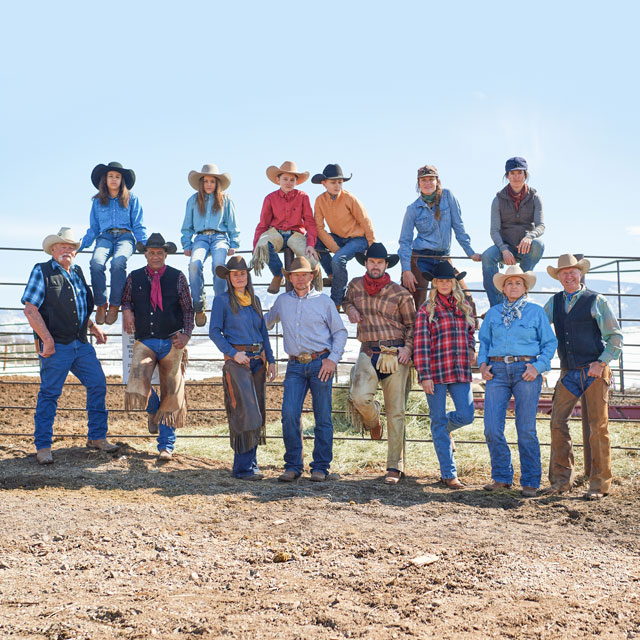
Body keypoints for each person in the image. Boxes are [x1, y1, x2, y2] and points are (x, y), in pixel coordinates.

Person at [22, 227, 118, 464]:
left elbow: (80, 310)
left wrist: (93, 328)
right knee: (50, 394)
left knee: (97, 384)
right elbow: (30, 309)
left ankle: (96, 437)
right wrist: (47, 339)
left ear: (75, 252)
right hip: (56, 346)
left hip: (80, 343)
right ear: (53, 250)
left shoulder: (77, 273)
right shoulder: (41, 271)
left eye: (71, 247)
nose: (67, 250)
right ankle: (43, 446)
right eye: (62, 246)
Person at [542, 254, 623, 500]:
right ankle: (561, 480)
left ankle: (599, 484)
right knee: (557, 422)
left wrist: (601, 362)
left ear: (580, 274)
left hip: (594, 370)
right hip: (568, 370)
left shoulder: (596, 300)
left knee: (598, 427)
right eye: (563, 273)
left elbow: (615, 337)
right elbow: (539, 328)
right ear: (559, 277)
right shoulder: (553, 303)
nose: (568, 276)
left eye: (572, 272)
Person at [264, 257, 347, 482]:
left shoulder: (324, 301)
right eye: (295, 274)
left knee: (323, 417)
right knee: (289, 414)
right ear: (289, 278)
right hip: (294, 366)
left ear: (312, 276)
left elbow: (340, 332)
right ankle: (293, 465)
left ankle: (320, 467)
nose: (300, 278)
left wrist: (333, 360)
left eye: (305, 274)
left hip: (321, 363)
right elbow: (265, 323)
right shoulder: (282, 301)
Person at [478, 265, 557, 497]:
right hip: (497, 371)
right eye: (509, 283)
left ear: (525, 288)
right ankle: (502, 476)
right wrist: (483, 365)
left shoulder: (536, 312)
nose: (513, 286)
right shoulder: (493, 313)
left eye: (518, 283)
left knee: (526, 428)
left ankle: (530, 480)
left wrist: (538, 366)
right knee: (492, 427)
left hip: (527, 371)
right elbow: (484, 342)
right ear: (503, 288)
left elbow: (549, 343)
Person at [343, 243, 416, 485]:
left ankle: (394, 467)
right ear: (366, 263)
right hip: (367, 350)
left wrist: (407, 348)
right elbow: (345, 300)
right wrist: (351, 308)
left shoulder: (400, 293)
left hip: (395, 353)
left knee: (396, 411)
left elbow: (413, 325)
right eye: (372, 262)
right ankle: (373, 420)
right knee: (359, 396)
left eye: (380, 262)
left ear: (386, 265)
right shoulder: (354, 285)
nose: (375, 266)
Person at [121, 233, 194, 461]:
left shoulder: (178, 277)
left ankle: (166, 446)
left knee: (173, 391)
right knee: (138, 378)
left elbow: (188, 309)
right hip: (145, 340)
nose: (155, 256)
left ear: (165, 254)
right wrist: (127, 310)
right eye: (151, 252)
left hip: (173, 340)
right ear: (145, 255)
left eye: (159, 253)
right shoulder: (134, 277)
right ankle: (153, 409)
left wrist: (186, 335)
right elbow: (126, 299)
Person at [209, 256, 276, 480]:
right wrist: (233, 353)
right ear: (228, 277)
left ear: (247, 276)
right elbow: (214, 332)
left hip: (258, 361)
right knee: (244, 412)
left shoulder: (254, 300)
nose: (239, 277)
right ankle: (242, 467)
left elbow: (263, 333)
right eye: (235, 274)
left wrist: (272, 360)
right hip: (237, 361)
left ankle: (252, 463)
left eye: (243, 273)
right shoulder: (222, 301)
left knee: (257, 412)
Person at [413, 262, 476, 489]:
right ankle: (449, 474)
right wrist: (425, 375)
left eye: (448, 280)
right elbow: (420, 345)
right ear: (434, 283)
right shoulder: (426, 310)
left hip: (459, 370)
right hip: (436, 372)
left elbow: (470, 331)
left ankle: (444, 428)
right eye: (440, 281)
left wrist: (471, 347)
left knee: (467, 414)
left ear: (454, 283)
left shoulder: (463, 307)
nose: (445, 284)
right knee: (437, 419)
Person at [398, 164, 481, 309]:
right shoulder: (412, 209)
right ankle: (416, 331)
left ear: (437, 181)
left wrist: (470, 253)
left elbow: (458, 227)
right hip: (420, 258)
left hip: (443, 257)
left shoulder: (448, 196)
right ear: (418, 183)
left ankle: (469, 330)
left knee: (466, 299)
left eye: (431, 179)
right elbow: (405, 242)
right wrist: (406, 270)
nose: (427, 183)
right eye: (423, 180)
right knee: (415, 301)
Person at [79, 162, 148, 325]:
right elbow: (94, 228)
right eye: (111, 176)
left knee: (118, 262)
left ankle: (115, 304)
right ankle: (101, 304)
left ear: (122, 180)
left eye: (117, 177)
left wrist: (145, 246)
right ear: (105, 179)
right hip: (105, 237)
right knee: (96, 263)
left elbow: (138, 225)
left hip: (125, 237)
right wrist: (79, 245)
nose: (114, 180)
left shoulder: (132, 199)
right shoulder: (97, 201)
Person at [180, 164, 240, 327]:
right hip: (200, 238)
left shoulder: (225, 200)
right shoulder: (193, 200)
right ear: (201, 183)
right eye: (205, 181)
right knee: (194, 264)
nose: (208, 184)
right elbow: (187, 225)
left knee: (219, 266)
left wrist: (234, 242)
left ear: (217, 183)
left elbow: (233, 223)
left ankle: (221, 305)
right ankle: (199, 306)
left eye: (212, 181)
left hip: (220, 237)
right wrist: (186, 243)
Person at [482, 157, 545, 307]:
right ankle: (496, 305)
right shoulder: (498, 199)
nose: (516, 177)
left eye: (520, 173)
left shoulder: (535, 197)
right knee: (487, 257)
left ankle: (520, 292)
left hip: (526, 246)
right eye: (512, 173)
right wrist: (503, 249)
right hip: (505, 247)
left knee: (539, 245)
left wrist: (530, 236)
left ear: (525, 175)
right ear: (507, 176)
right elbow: (494, 230)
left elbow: (541, 225)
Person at [311, 163, 376, 308]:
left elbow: (365, 221)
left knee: (338, 260)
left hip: (358, 239)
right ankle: (333, 274)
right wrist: (335, 248)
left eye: (339, 182)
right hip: (338, 238)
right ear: (324, 183)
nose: (337, 186)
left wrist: (372, 245)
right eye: (333, 182)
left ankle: (336, 301)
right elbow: (319, 227)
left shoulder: (349, 198)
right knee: (315, 241)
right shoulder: (319, 200)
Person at [252, 161, 320, 294]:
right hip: (275, 233)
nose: (289, 182)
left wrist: (311, 244)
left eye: (292, 180)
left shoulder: (303, 197)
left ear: (296, 181)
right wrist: (256, 247)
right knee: (263, 245)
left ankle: (313, 292)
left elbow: (309, 222)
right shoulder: (270, 198)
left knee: (312, 261)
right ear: (278, 180)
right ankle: (278, 275)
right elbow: (263, 224)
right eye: (285, 179)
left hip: (296, 234)